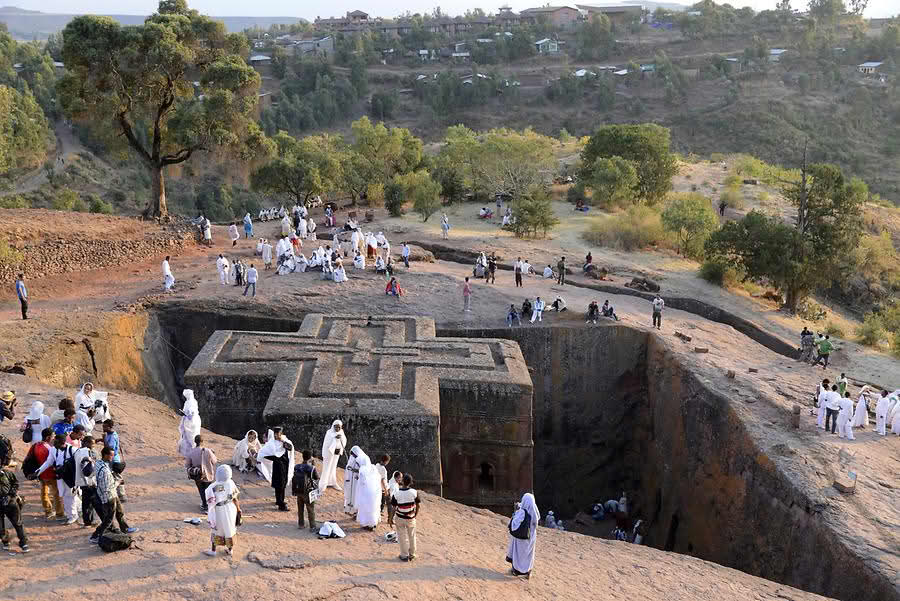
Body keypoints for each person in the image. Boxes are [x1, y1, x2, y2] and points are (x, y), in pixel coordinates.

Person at [90, 446, 137, 543]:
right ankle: (96, 536)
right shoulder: (105, 470)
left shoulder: (99, 463)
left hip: (110, 494)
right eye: (111, 455)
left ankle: (125, 528)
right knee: (108, 520)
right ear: (106, 455)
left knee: (119, 511)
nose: (113, 456)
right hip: (109, 496)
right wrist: (118, 482)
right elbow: (108, 488)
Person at [35, 433, 80, 524]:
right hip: (60, 477)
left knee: (69, 496)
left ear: (62, 442)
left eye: (55, 442)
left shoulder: (73, 450)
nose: (53, 443)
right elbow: (48, 462)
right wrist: (37, 472)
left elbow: (78, 465)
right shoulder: (53, 450)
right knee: (64, 495)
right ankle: (76, 509)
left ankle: (72, 516)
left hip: (71, 478)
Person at [204, 465, 241, 557]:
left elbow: (209, 500)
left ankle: (213, 551)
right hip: (231, 509)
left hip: (219, 511)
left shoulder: (213, 487)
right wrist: (239, 509)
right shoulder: (231, 483)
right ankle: (230, 549)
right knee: (230, 529)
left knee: (216, 529)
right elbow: (235, 498)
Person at [29, 428, 63, 518]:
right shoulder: (49, 448)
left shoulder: (36, 445)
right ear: (48, 437)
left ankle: (48, 511)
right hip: (51, 474)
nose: (54, 438)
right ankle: (59, 512)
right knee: (56, 494)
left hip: (41, 474)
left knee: (44, 493)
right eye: (53, 436)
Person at [260, 427, 294, 511]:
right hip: (277, 467)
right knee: (278, 485)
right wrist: (276, 458)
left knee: (282, 485)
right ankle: (280, 503)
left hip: (285, 466)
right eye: (275, 434)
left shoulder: (285, 441)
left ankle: (279, 500)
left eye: (278, 434)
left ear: (281, 434)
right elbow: (264, 454)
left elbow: (290, 448)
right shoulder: (271, 443)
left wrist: (282, 441)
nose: (276, 436)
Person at [505, 493, 539, 578]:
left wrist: (516, 513)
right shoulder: (535, 510)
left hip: (521, 537)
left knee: (519, 554)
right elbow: (536, 522)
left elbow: (514, 524)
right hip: (531, 536)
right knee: (529, 555)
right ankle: (528, 571)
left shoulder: (522, 512)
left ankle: (516, 571)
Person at [0, 460, 28, 553]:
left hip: (10, 503)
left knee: (18, 523)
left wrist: (10, 495)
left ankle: (24, 543)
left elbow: (15, 484)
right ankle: (5, 541)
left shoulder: (7, 473)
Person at [391, 473, 420, 561]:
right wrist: (415, 515)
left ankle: (404, 555)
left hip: (399, 517)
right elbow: (418, 506)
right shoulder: (414, 492)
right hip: (410, 517)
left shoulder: (396, 494)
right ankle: (412, 554)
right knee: (412, 536)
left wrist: (390, 518)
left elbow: (393, 508)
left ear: (402, 481)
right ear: (410, 483)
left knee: (401, 536)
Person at [186, 435, 217, 512]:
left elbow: (187, 465)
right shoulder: (207, 450)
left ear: (195, 442)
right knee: (209, 490)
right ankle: (209, 505)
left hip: (198, 475)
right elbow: (214, 461)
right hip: (208, 474)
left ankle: (204, 504)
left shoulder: (191, 452)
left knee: (201, 489)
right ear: (202, 442)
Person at [74, 435, 99, 527]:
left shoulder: (77, 451)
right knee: (91, 502)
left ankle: (87, 521)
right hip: (90, 481)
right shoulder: (88, 453)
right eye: (92, 444)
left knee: (86, 502)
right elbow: (91, 469)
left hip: (81, 481)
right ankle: (90, 521)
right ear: (86, 443)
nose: (93, 446)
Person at [293, 450, 320, 532]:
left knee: (300, 509)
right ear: (310, 457)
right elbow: (316, 477)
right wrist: (313, 466)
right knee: (310, 509)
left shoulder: (297, 466)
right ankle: (312, 527)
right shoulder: (311, 468)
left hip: (298, 491)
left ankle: (301, 524)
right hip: (308, 492)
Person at [318, 420, 347, 493]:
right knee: (326, 468)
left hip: (336, 453)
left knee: (333, 468)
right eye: (336, 427)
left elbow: (344, 441)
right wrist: (334, 438)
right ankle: (323, 485)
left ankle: (332, 482)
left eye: (339, 427)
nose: (337, 429)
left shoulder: (341, 432)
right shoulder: (329, 432)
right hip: (329, 453)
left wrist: (340, 439)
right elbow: (327, 443)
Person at [356, 454, 382, 530]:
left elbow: (362, 480)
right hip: (375, 492)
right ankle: (373, 523)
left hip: (366, 492)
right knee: (374, 507)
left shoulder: (363, 468)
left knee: (365, 508)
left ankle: (366, 524)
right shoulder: (373, 467)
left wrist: (358, 479)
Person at [343, 446, 368, 515]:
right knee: (350, 494)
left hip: (357, 481)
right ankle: (348, 509)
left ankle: (355, 511)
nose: (353, 456)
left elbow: (365, 470)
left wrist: (356, 471)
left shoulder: (363, 459)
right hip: (351, 480)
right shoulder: (352, 458)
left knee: (356, 495)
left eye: (354, 455)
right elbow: (348, 466)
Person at [178, 390, 202, 458]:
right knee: (194, 435)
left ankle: (188, 453)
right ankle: (195, 451)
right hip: (196, 421)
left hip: (189, 422)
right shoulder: (194, 401)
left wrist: (187, 414)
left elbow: (189, 411)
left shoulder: (188, 402)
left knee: (187, 437)